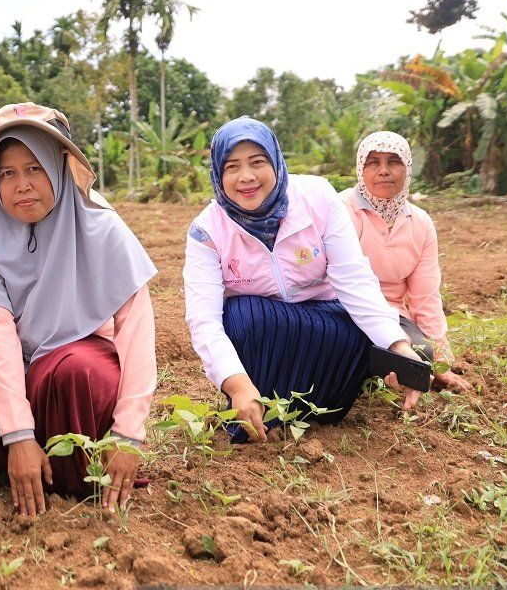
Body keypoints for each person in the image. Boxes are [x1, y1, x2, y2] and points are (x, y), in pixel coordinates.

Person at [0, 103, 158, 515]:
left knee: (73, 369)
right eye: (7, 173)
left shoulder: (100, 222)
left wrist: (128, 436)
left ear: (59, 167)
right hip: (14, 369)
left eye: (34, 168)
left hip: (72, 365)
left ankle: (71, 473)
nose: (21, 184)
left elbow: (135, 330)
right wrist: (18, 434)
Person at [183, 117, 428, 444]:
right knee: (241, 316)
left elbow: (353, 279)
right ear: (218, 173)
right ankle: (254, 404)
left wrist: (397, 347)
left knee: (367, 335)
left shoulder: (317, 197)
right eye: (232, 166)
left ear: (276, 160)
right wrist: (236, 383)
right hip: (263, 337)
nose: (246, 176)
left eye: (258, 162)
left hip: (324, 321)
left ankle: (326, 405)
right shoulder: (207, 231)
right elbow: (204, 320)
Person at [341, 131, 472, 393]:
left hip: (393, 316)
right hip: (343, 310)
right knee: (350, 346)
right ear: (360, 168)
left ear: (407, 167)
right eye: (373, 162)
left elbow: (425, 296)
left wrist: (442, 361)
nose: (384, 171)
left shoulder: (420, 223)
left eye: (393, 161)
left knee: (422, 353)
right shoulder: (343, 209)